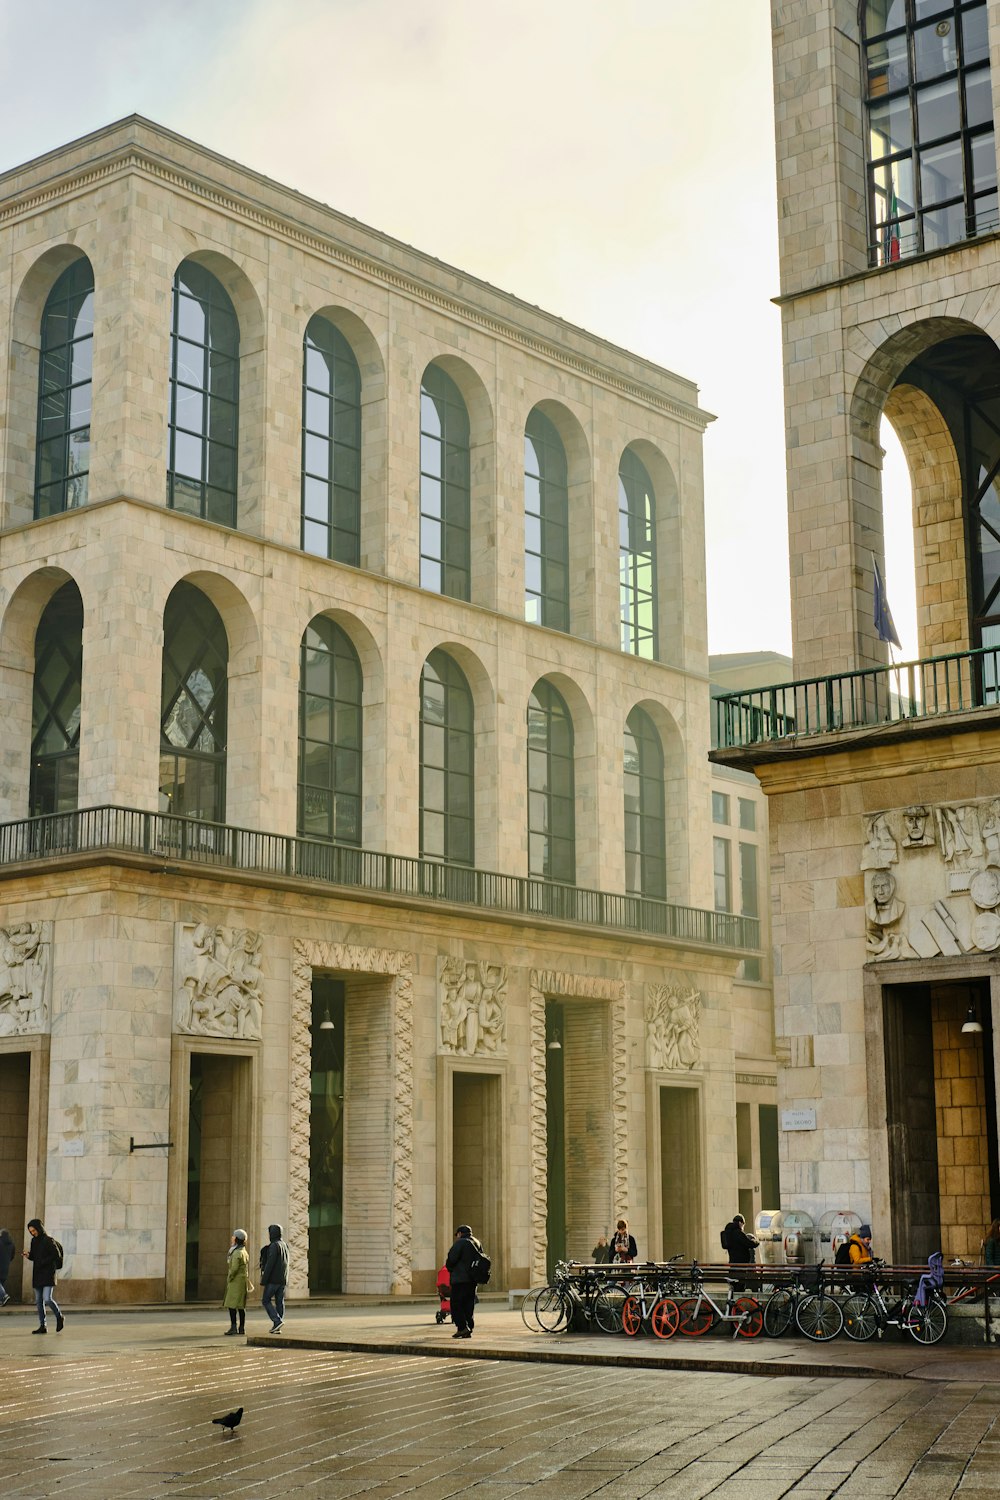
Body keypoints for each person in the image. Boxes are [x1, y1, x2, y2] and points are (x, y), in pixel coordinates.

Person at [23, 1219, 63, 1334]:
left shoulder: (48, 1240)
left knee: (47, 1298)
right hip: (38, 1274)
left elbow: (56, 1255)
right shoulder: (34, 1241)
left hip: (48, 1274)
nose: (33, 1233)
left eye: (34, 1230)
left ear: (39, 1228)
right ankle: (43, 1326)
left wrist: (43, 1261)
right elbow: (35, 1257)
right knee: (38, 1301)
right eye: (31, 1231)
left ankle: (59, 1316)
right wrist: (28, 1256)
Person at [445, 1224, 482, 1339]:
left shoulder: (460, 1243)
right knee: (468, 1304)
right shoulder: (477, 1243)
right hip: (472, 1279)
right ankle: (469, 1327)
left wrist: (451, 1269)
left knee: (456, 1304)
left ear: (460, 1233)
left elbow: (451, 1260)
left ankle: (462, 1328)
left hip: (460, 1280)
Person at [259, 1223, 288, 1334]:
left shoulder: (274, 1245)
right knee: (279, 1301)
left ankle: (277, 1321)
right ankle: (278, 1324)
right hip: (282, 1279)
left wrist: (264, 1279)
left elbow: (270, 1264)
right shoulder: (284, 1245)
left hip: (273, 1280)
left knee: (266, 1300)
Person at [223, 1229, 251, 1336]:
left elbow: (234, 1268)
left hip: (235, 1282)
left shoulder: (236, 1253)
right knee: (241, 1306)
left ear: (237, 1239)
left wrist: (230, 1277)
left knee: (232, 1305)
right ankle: (242, 1328)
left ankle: (233, 1327)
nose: (232, 1238)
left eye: (233, 1237)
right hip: (242, 1281)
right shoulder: (244, 1251)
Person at [0, 1228, 15, 1306]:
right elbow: (12, 1256)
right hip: (6, 1266)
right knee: (1, 1283)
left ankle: (4, 1295)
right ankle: (2, 1300)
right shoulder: (11, 1244)